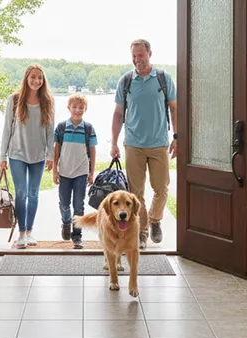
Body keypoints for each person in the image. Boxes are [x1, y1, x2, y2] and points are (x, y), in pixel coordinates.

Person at [111, 39, 178, 249]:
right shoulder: (126, 81)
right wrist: (113, 142)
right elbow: (118, 113)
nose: (137, 60)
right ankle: (141, 232)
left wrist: (177, 137)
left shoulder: (163, 78)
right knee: (135, 193)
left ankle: (155, 220)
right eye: (133, 56)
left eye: (140, 55)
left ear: (149, 54)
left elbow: (174, 109)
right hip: (133, 144)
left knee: (161, 188)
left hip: (159, 143)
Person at [0, 63, 55, 249]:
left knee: (33, 194)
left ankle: (29, 232)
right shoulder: (14, 100)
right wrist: (2, 157)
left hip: (38, 155)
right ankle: (21, 233)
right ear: (26, 78)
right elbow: (7, 129)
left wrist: (50, 155)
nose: (36, 81)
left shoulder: (47, 101)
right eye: (33, 77)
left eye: (39, 78)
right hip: (17, 154)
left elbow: (50, 131)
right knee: (21, 193)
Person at [52, 93, 97, 249]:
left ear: (85, 109)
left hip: (81, 172)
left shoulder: (88, 128)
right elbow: (56, 150)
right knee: (64, 203)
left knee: (78, 205)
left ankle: (77, 236)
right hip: (64, 172)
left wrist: (91, 173)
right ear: (68, 108)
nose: (77, 110)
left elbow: (92, 151)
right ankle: (66, 222)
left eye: (81, 107)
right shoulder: (61, 127)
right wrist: (55, 171)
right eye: (74, 107)